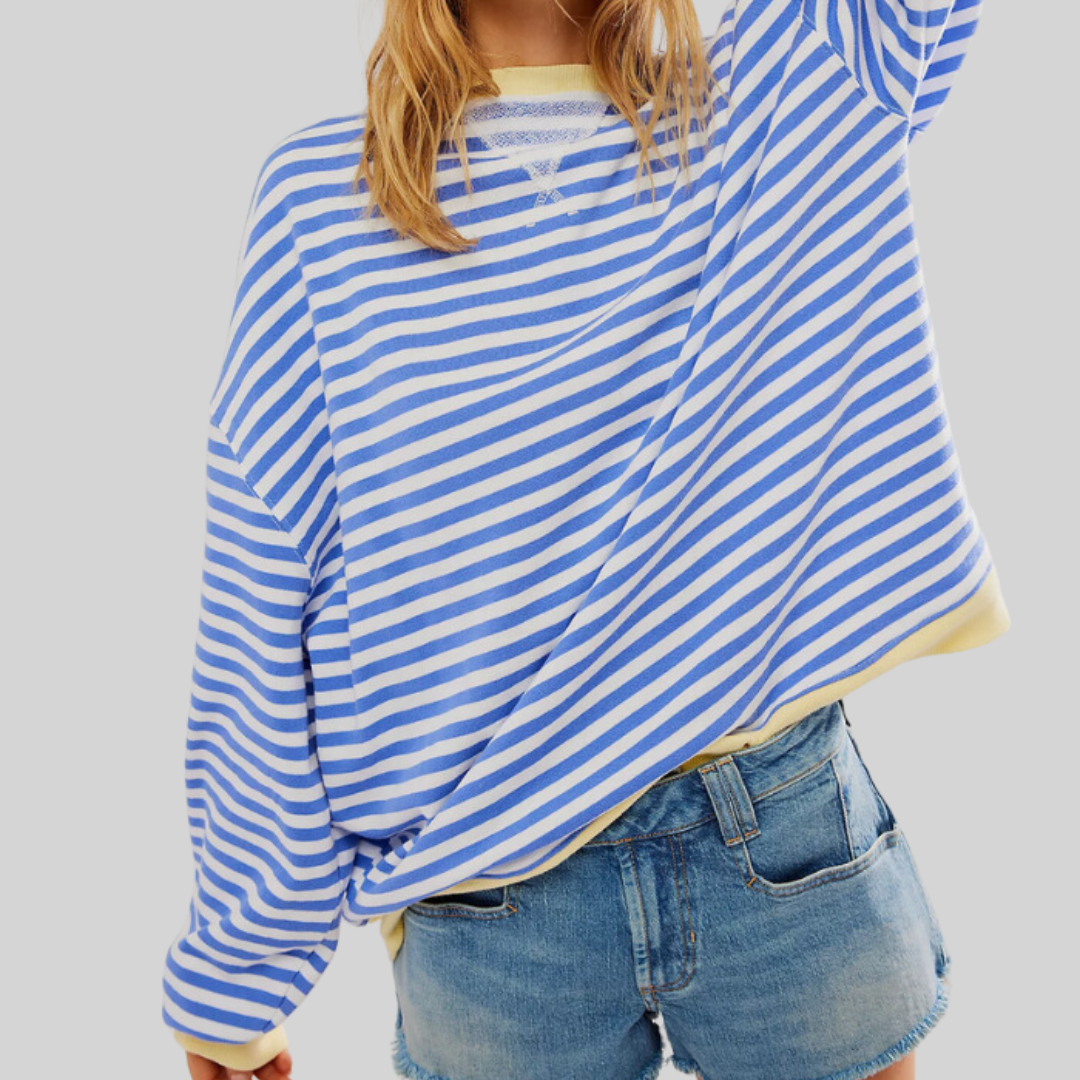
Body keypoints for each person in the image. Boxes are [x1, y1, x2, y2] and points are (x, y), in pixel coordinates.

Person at [162, 1, 1009, 1078]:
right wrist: (239, 970)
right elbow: (260, 585)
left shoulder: (790, 78)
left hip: (775, 825)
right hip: (487, 894)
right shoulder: (324, 198)